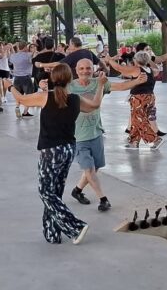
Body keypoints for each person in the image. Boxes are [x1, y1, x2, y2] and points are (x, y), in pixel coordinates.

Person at [9, 64, 107, 244]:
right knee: (55, 192)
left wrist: (10, 86)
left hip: (51, 151)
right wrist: (100, 85)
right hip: (69, 149)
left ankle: (75, 226)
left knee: (45, 192)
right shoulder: (75, 99)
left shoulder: (45, 97)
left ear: (53, 79)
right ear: (70, 79)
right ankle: (52, 233)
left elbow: (21, 99)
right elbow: (95, 105)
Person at [68, 59, 145, 211]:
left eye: (88, 68)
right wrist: (43, 87)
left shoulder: (100, 82)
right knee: (89, 170)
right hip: (78, 136)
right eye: (81, 68)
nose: (85, 71)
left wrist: (137, 81)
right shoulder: (69, 87)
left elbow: (121, 86)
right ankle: (103, 199)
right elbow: (52, 95)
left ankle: (77, 190)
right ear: (76, 70)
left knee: (94, 168)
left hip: (96, 132)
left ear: (93, 69)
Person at [104, 51, 163, 150]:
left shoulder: (137, 69)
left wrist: (109, 60)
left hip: (139, 98)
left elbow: (119, 68)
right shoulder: (150, 70)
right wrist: (149, 60)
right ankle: (133, 141)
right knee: (135, 119)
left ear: (136, 60)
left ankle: (154, 139)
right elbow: (157, 69)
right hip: (150, 97)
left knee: (139, 119)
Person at [9, 42, 35, 118]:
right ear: (24, 47)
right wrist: (34, 50)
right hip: (26, 78)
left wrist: (13, 46)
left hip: (16, 78)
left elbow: (10, 59)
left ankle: (17, 107)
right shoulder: (28, 55)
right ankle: (25, 112)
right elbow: (34, 57)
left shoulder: (13, 56)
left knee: (18, 95)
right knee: (29, 96)